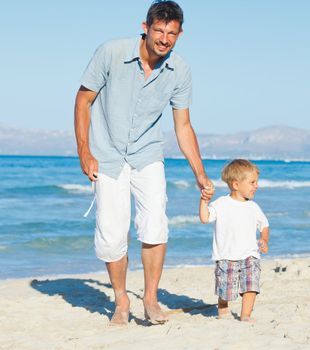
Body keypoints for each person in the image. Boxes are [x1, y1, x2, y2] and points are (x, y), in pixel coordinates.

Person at [74, 1, 214, 326]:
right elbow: (83, 99)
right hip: (107, 154)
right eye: (159, 30)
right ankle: (121, 300)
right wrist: (84, 150)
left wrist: (199, 172)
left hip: (147, 153)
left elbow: (183, 126)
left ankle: (150, 298)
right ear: (145, 27)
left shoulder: (180, 70)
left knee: (155, 224)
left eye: (172, 33)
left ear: (180, 35)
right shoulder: (111, 52)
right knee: (111, 234)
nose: (164, 38)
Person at [199, 159, 270, 322]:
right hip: (226, 256)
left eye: (256, 182)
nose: (257, 186)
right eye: (252, 182)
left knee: (251, 285)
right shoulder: (222, 204)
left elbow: (264, 225)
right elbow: (205, 218)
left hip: (250, 255)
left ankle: (245, 315)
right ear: (236, 184)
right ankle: (223, 310)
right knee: (225, 290)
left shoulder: (253, 207)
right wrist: (204, 201)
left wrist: (264, 239)